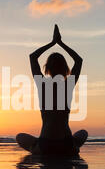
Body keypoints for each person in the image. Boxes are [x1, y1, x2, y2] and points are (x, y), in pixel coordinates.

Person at [16, 25, 88, 155]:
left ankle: (35, 148)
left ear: (47, 68)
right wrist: (60, 43)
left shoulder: (42, 84)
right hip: (67, 145)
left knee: (19, 137)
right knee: (83, 133)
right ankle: (74, 146)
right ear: (66, 69)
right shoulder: (68, 84)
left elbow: (33, 57)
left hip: (46, 145)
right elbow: (78, 60)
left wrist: (52, 43)